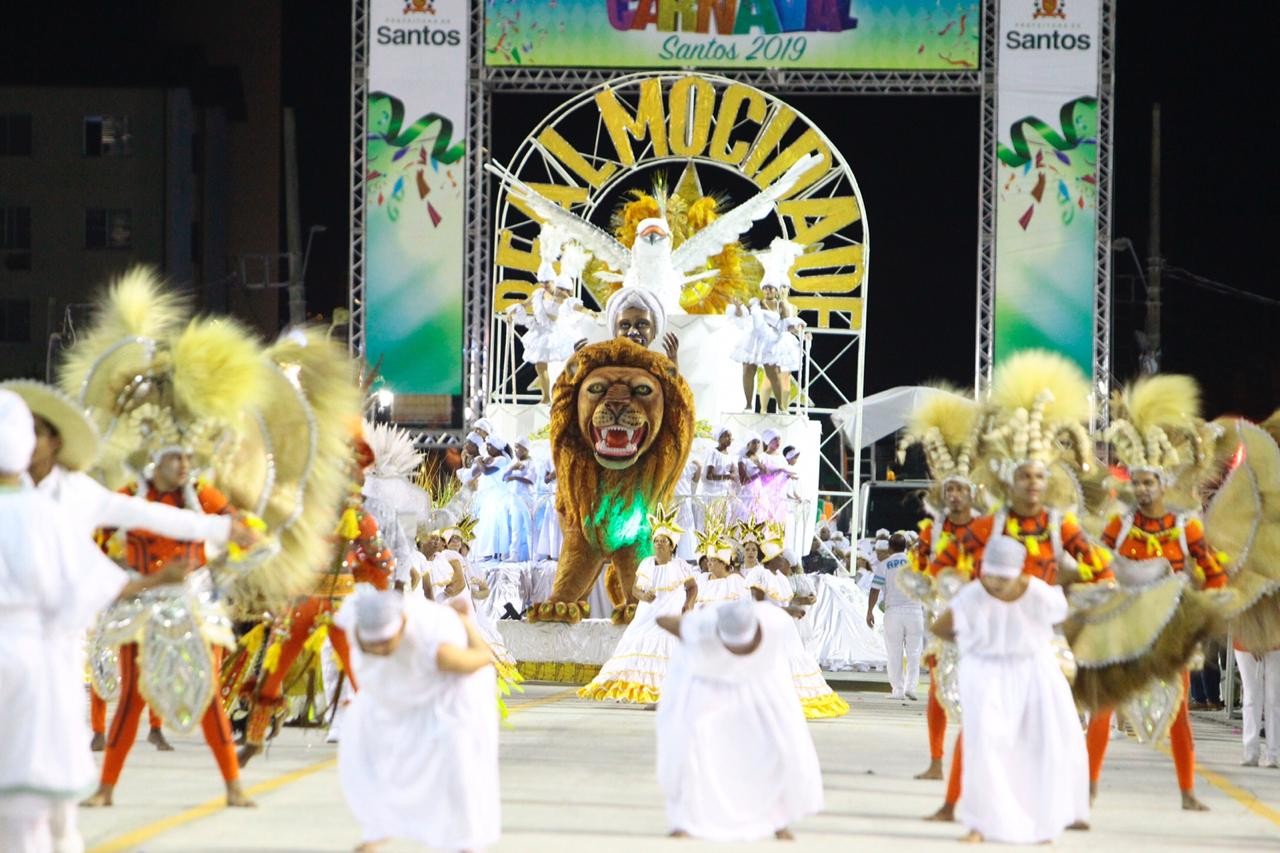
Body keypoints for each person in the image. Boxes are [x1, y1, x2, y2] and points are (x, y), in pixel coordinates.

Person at [3, 379, 255, 754]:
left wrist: (222, 528)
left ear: (55, 442)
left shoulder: (78, 493)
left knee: (50, 757)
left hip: (60, 636)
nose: (22, 441)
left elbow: (149, 515)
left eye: (33, 433)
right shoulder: (12, 495)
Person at [0, 390, 196, 853]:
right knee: (35, 809)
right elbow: (94, 586)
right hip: (36, 665)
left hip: (37, 658)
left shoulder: (60, 503)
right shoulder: (43, 515)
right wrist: (158, 578)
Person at [84, 447, 257, 808]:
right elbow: (91, 535)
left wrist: (244, 539)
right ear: (155, 459)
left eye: (188, 458)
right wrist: (111, 576)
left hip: (194, 603)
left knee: (208, 694)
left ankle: (233, 786)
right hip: (142, 602)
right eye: (175, 457)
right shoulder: (130, 496)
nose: (184, 466)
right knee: (132, 696)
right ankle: (106, 787)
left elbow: (242, 530)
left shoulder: (203, 494)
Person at [1087, 377, 1228, 812]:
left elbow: (1211, 569)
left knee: (1179, 712)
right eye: (1139, 481)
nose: (1144, 488)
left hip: (1168, 629)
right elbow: (1097, 565)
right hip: (1128, 624)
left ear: (1163, 484)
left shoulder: (1186, 526)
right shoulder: (1120, 524)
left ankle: (1187, 792)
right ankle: (1086, 789)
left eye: (1151, 481)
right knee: (1105, 707)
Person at [930, 535, 1090, 844]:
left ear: (1018, 572)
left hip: (1035, 673)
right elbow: (940, 628)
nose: (995, 583)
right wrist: (973, 643)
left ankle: (1042, 825)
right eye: (989, 575)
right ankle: (979, 825)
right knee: (984, 745)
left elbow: (1066, 618)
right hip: (987, 673)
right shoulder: (973, 595)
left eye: (1002, 577)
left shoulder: (1041, 594)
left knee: (1042, 747)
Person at [335, 588, 500, 853]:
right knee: (363, 754)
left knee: (457, 768)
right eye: (371, 644)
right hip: (391, 698)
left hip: (447, 699)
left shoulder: (437, 647)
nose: (378, 648)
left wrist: (466, 623)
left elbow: (484, 658)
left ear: (402, 626)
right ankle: (378, 829)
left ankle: (464, 842)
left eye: (385, 642)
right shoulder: (355, 621)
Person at [655, 598, 824, 841]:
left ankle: (778, 820)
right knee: (688, 745)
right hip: (711, 683)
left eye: (746, 647)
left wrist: (791, 610)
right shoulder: (704, 626)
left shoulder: (772, 620)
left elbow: (777, 611)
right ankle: (684, 820)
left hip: (759, 684)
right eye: (736, 648)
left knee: (783, 744)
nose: (741, 652)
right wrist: (688, 625)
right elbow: (662, 620)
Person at [579, 508, 697, 704]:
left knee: (665, 648)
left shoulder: (681, 566)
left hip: (669, 615)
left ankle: (664, 695)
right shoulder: (646, 564)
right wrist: (644, 595)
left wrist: (688, 604)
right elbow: (635, 590)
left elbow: (692, 587)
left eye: (663, 541)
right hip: (647, 615)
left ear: (672, 546)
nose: (659, 544)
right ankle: (635, 689)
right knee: (636, 644)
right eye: (656, 541)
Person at [725, 240, 806, 413]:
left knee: (773, 373)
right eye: (766, 287)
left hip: (773, 341)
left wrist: (800, 330)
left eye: (771, 288)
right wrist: (739, 307)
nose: (768, 291)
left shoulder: (782, 306)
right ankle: (748, 404)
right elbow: (743, 316)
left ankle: (782, 406)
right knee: (748, 368)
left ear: (777, 290)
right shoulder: (755, 304)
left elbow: (787, 323)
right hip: (754, 340)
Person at [868, 532, 925, 701]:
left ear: (890, 548)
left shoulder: (883, 565)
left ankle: (898, 690)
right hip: (915, 610)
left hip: (893, 612)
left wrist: (869, 610)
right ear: (906, 546)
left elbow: (874, 589)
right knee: (915, 652)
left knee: (894, 652)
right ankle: (911, 688)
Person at [1236, 636, 1280, 768]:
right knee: (1251, 697)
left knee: (1274, 699)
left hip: (1276, 637)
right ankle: (1251, 751)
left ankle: (1274, 754)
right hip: (1244, 637)